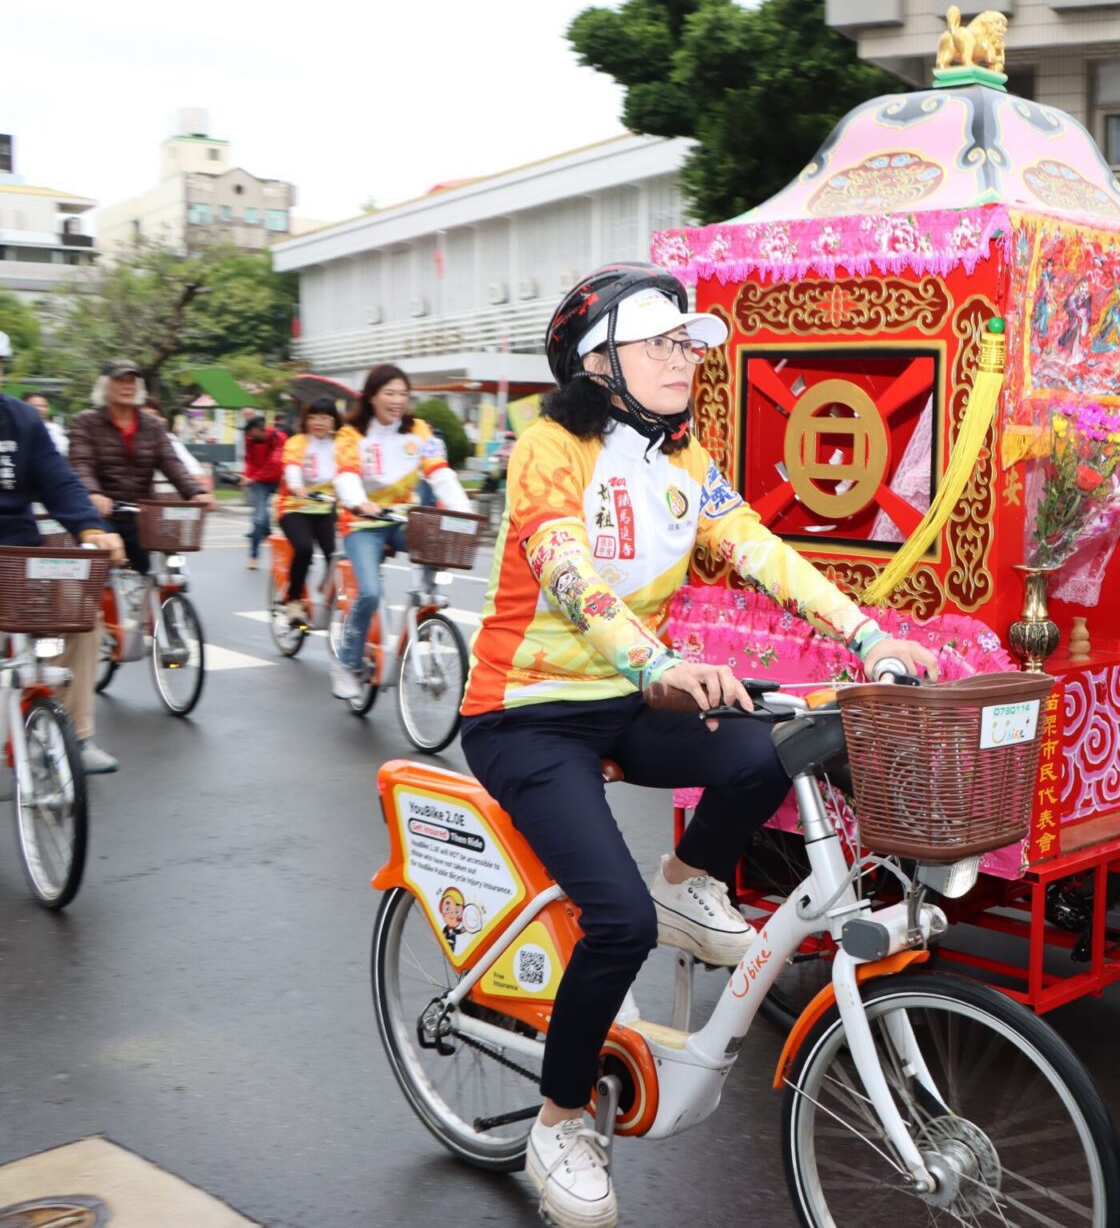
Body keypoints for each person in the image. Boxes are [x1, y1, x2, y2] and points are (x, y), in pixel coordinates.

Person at [458, 262, 939, 1227]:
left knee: (771, 747)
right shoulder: (549, 447)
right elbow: (568, 574)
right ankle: (559, 1122)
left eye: (687, 342)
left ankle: (689, 881)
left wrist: (869, 636)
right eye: (659, 342)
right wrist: (657, 665)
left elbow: (762, 550)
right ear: (599, 362)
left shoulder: (683, 459)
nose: (682, 358)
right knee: (617, 923)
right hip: (527, 712)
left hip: (631, 697)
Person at [0, 334, 126, 775]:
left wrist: (93, 528)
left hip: (18, 555)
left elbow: (59, 480)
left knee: (80, 618)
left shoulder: (21, 419)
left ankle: (75, 733)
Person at [331, 364, 470, 700]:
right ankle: (347, 664)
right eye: (389, 393)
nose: (397, 400)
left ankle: (425, 610)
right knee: (369, 593)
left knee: (436, 544)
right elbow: (346, 476)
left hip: (401, 517)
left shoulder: (419, 431)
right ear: (371, 396)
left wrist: (464, 511)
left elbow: (440, 474)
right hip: (363, 523)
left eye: (403, 394)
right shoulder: (351, 434)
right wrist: (359, 502)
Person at [68, 361, 214, 571]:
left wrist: (195, 492)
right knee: (100, 574)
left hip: (141, 513)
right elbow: (81, 463)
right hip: (101, 514)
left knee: (148, 573)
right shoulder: (85, 422)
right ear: (104, 386)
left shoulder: (152, 425)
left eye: (132, 381)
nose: (127, 386)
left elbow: (170, 461)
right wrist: (93, 493)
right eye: (120, 381)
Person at [277, 399, 341, 625]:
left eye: (324, 417)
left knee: (336, 555)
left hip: (325, 509)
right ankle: (293, 601)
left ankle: (327, 588)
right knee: (304, 548)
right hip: (295, 507)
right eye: (312, 417)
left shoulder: (341, 446)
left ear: (334, 421)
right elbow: (292, 468)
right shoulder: (297, 442)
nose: (318, 422)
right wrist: (296, 486)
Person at [240, 410, 287, 571]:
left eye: (251, 432)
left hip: (280, 479)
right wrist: (246, 476)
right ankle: (253, 556)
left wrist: (253, 478)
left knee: (289, 517)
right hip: (260, 481)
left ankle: (297, 555)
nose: (249, 436)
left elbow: (274, 464)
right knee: (258, 518)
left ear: (259, 429)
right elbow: (249, 460)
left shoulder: (278, 438)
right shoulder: (250, 439)